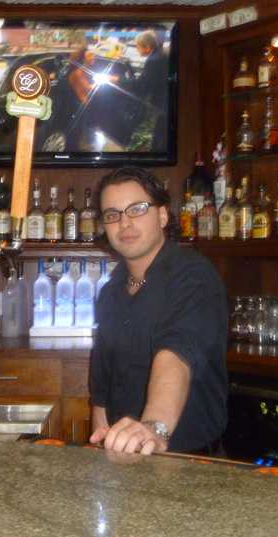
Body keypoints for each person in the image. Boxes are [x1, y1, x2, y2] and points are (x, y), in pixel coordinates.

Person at [89, 166, 228, 456]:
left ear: (162, 216)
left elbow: (176, 354)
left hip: (188, 461)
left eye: (137, 209)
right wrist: (100, 450)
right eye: (112, 215)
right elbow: (101, 393)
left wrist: (155, 428)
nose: (124, 223)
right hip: (123, 458)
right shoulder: (110, 293)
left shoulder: (193, 276)